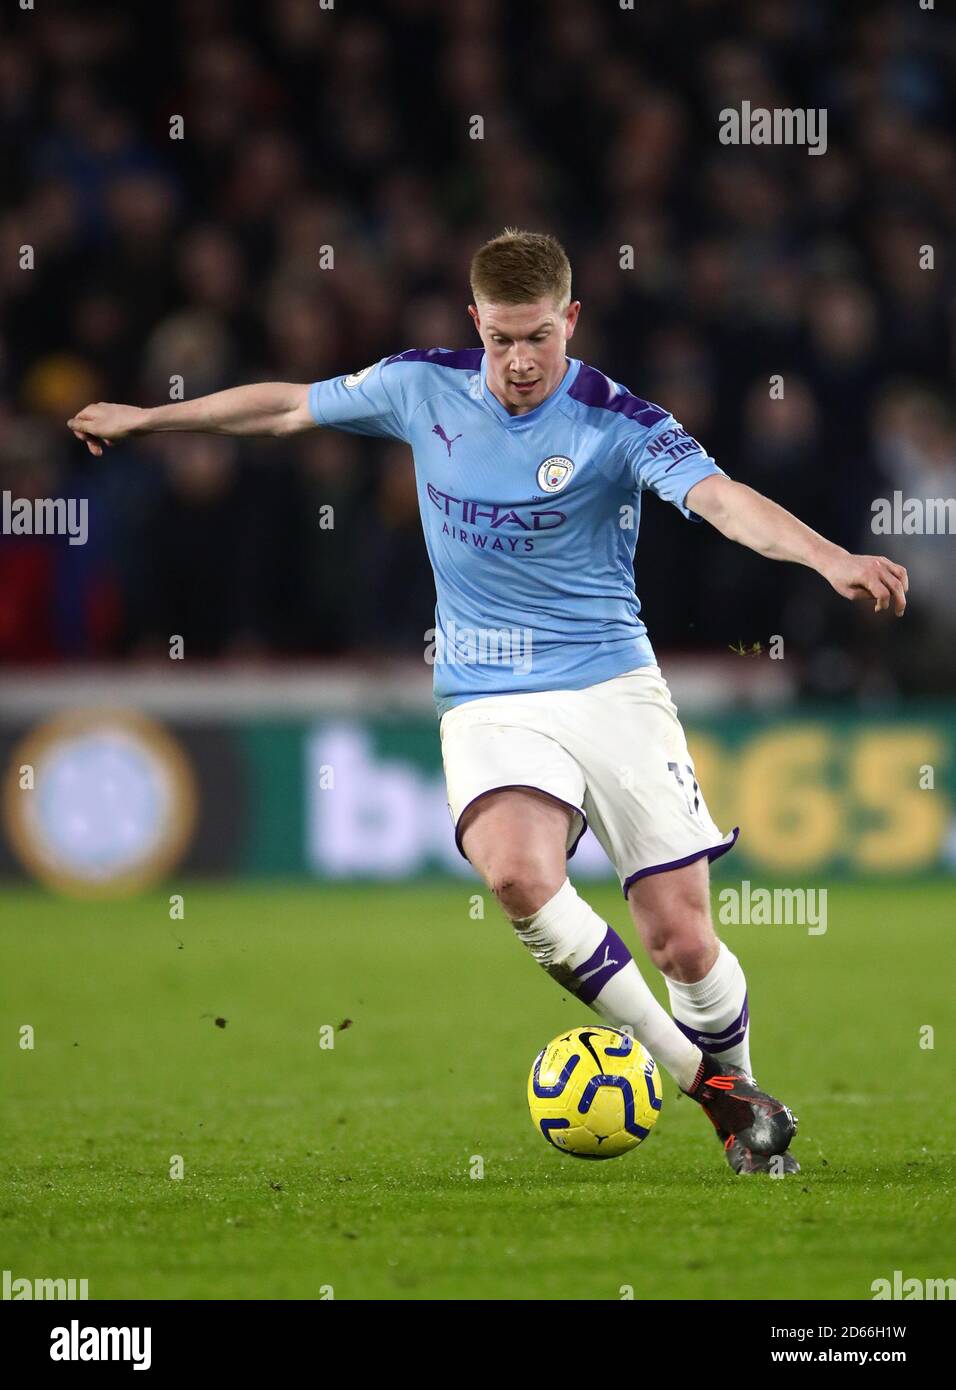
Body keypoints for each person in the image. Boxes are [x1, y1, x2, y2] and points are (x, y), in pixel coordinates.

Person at [68, 228, 909, 1175]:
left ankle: (747, 1106)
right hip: (486, 693)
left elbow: (722, 499)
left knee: (680, 939)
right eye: (501, 338)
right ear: (475, 323)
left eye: (538, 338)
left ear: (571, 321)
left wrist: (830, 557)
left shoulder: (618, 419)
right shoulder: (422, 385)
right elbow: (289, 409)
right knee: (515, 875)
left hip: (611, 684)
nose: (518, 361)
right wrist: (151, 418)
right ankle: (706, 1087)